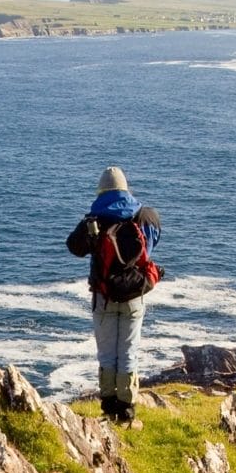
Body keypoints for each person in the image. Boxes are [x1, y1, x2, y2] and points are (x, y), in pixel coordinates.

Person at [66, 165, 163, 424]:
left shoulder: (94, 221)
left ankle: (109, 409)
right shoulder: (146, 216)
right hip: (134, 295)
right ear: (125, 188)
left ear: (102, 190)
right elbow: (153, 243)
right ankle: (127, 411)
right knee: (129, 352)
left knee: (107, 354)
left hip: (104, 297)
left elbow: (73, 247)